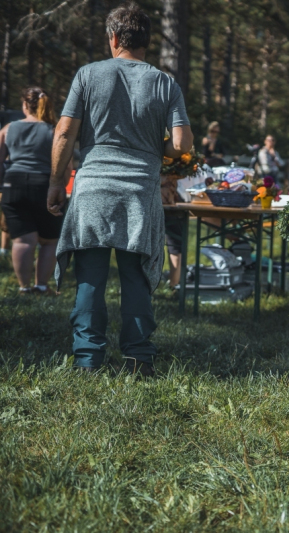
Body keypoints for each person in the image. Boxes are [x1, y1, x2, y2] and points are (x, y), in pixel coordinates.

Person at [47, 2, 193, 375]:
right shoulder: (164, 82)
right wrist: (152, 149)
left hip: (93, 185)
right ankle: (139, 358)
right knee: (136, 275)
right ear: (147, 41)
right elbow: (182, 144)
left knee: (91, 276)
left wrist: (55, 182)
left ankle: (87, 360)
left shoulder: (88, 74)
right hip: (139, 192)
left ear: (113, 38)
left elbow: (64, 132)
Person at [0, 87, 69, 294]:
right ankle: (41, 286)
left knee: (22, 240)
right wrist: (61, 189)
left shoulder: (8, 128)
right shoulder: (54, 129)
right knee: (49, 241)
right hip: (44, 185)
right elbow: (65, 165)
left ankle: (24, 287)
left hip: (14, 185)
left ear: (24, 106)